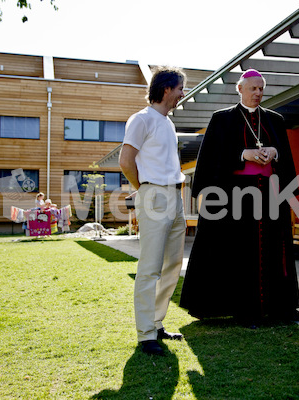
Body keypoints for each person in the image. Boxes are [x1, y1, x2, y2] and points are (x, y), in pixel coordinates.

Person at [179, 69, 299, 327]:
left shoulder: (275, 119)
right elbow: (211, 158)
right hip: (235, 197)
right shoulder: (222, 119)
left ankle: (280, 307)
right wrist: (242, 154)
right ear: (240, 89)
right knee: (239, 254)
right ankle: (244, 309)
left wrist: (273, 152)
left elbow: (286, 158)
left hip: (270, 197)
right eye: (252, 88)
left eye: (261, 89)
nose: (258, 93)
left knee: (274, 251)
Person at [118, 66, 187, 356]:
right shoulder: (141, 119)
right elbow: (125, 160)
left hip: (176, 196)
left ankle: (157, 323)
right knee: (149, 268)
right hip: (154, 195)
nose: (182, 94)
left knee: (172, 265)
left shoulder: (168, 123)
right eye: (180, 88)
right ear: (167, 88)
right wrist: (144, 187)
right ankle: (146, 334)